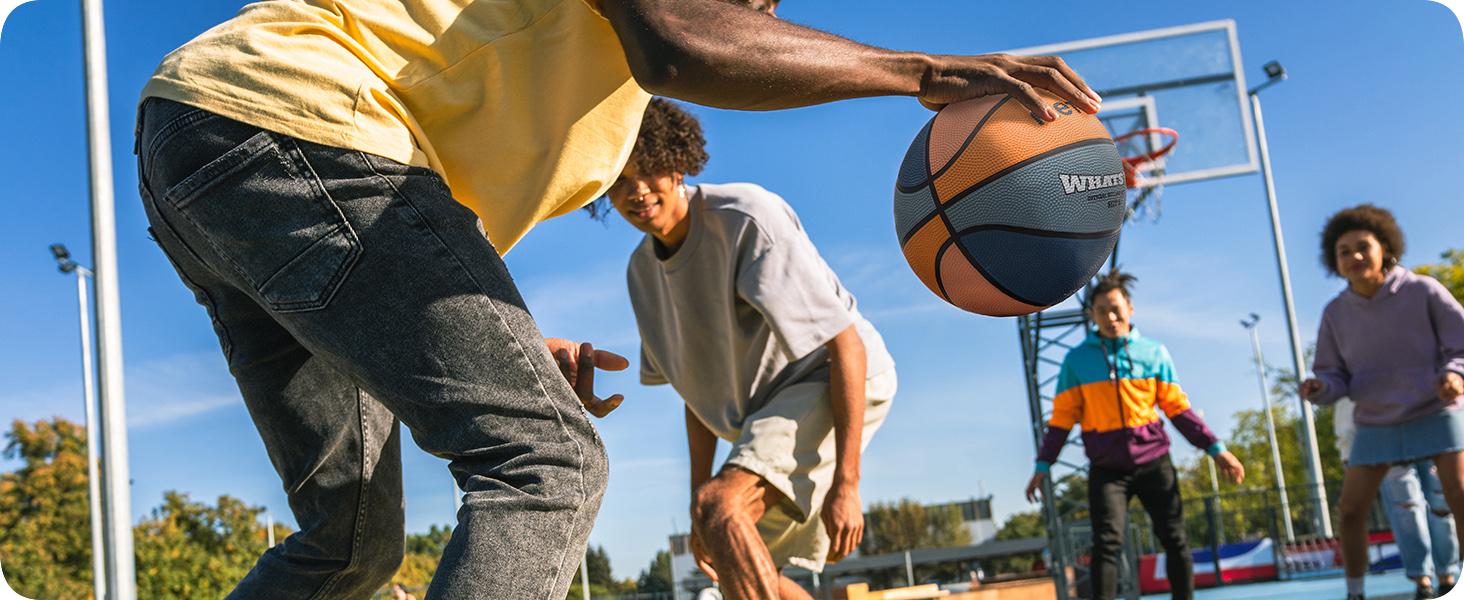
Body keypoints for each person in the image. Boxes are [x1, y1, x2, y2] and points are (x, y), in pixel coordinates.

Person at [135, 0, 1101, 596]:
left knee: (350, 544)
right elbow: (681, 42)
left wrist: (514, 340)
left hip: (208, 149)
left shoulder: (610, 123)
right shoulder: (657, 59)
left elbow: (397, 256)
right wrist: (921, 73)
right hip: (300, 124)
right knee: (548, 461)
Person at [601, 98, 897, 600]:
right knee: (731, 544)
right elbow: (695, 394)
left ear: (677, 163)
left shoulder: (746, 218)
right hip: (764, 414)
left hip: (832, 377)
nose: (637, 191)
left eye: (649, 170)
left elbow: (845, 342)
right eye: (620, 180)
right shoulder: (641, 274)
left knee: (726, 508)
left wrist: (847, 483)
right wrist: (700, 502)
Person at [1024, 270, 1244, 600]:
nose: (1110, 317)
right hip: (1107, 468)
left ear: (1129, 307)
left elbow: (1178, 410)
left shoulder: (1154, 352)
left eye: (1116, 308)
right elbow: (1060, 421)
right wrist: (1043, 466)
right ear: (1091, 316)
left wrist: (1215, 448)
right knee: (1106, 543)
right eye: (1101, 311)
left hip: (1154, 461)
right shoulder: (1076, 361)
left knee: (1175, 538)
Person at [1300, 204, 1464, 600]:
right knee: (1352, 510)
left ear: (1385, 248)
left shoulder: (1423, 290)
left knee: (1459, 496)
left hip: (1435, 412)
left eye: (1363, 247)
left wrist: (1455, 374)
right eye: (1343, 251)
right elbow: (1334, 375)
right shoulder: (1335, 313)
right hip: (1375, 423)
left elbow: (1460, 346)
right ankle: (1355, 593)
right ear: (1333, 260)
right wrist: (1321, 389)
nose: (1354, 256)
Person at [1336, 397, 1460, 600]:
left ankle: (1446, 577)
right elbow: (1348, 398)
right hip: (1387, 437)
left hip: (1433, 427)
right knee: (1406, 509)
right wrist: (1347, 445)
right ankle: (1423, 582)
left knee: (1442, 506)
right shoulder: (1366, 364)